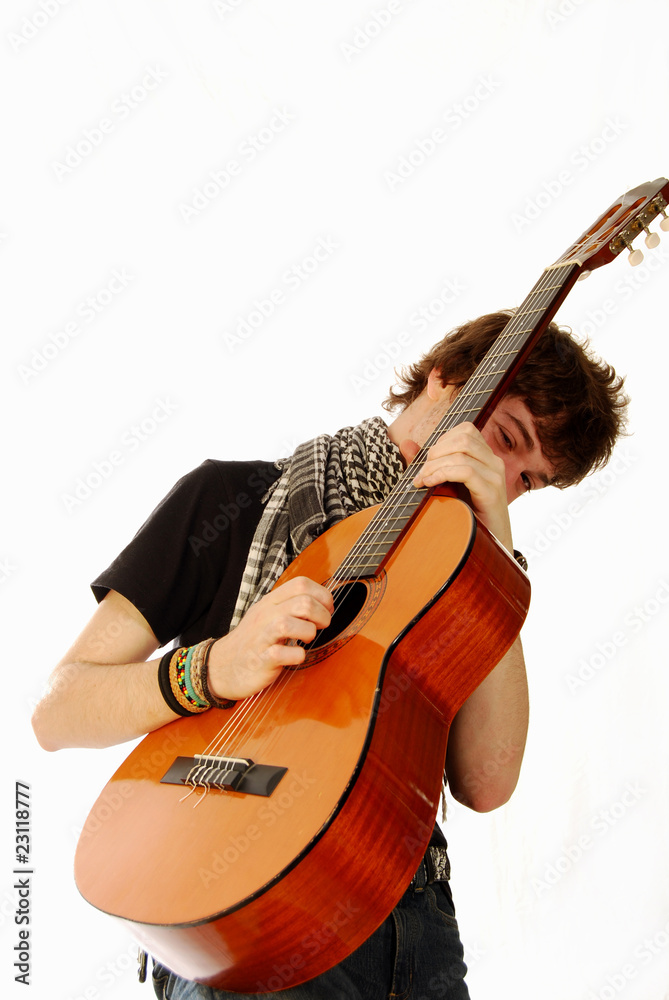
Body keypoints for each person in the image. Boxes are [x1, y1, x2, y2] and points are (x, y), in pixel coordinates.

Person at [32, 310, 628, 999]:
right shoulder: (228, 499)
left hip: (415, 920)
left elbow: (486, 783)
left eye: (527, 481)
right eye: (505, 439)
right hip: (244, 913)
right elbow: (57, 711)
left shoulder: (460, 578)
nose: (500, 478)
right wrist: (216, 666)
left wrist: (493, 557)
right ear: (444, 380)